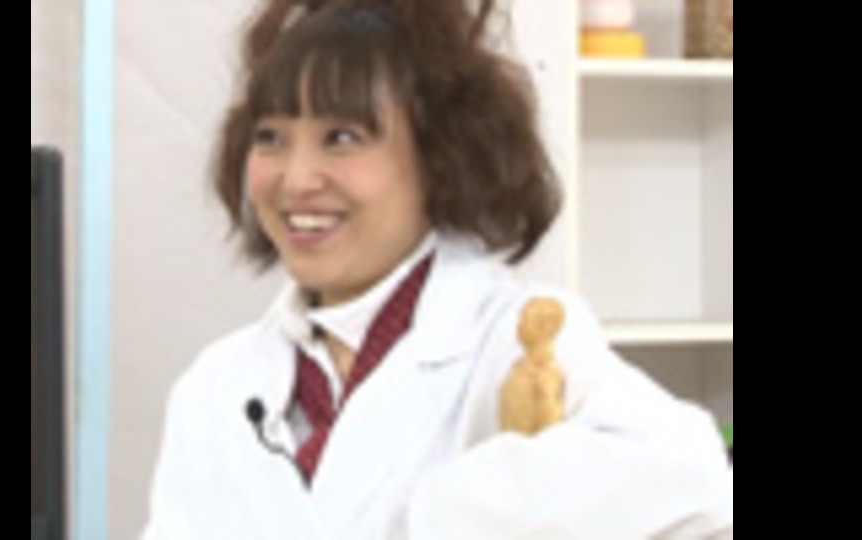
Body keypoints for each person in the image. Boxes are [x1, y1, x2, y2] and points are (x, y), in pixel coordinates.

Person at [143, 1, 734, 538]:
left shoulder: (516, 341)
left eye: (341, 137)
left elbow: (698, 483)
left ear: (440, 155)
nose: (296, 179)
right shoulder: (217, 386)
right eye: (270, 138)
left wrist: (434, 514)